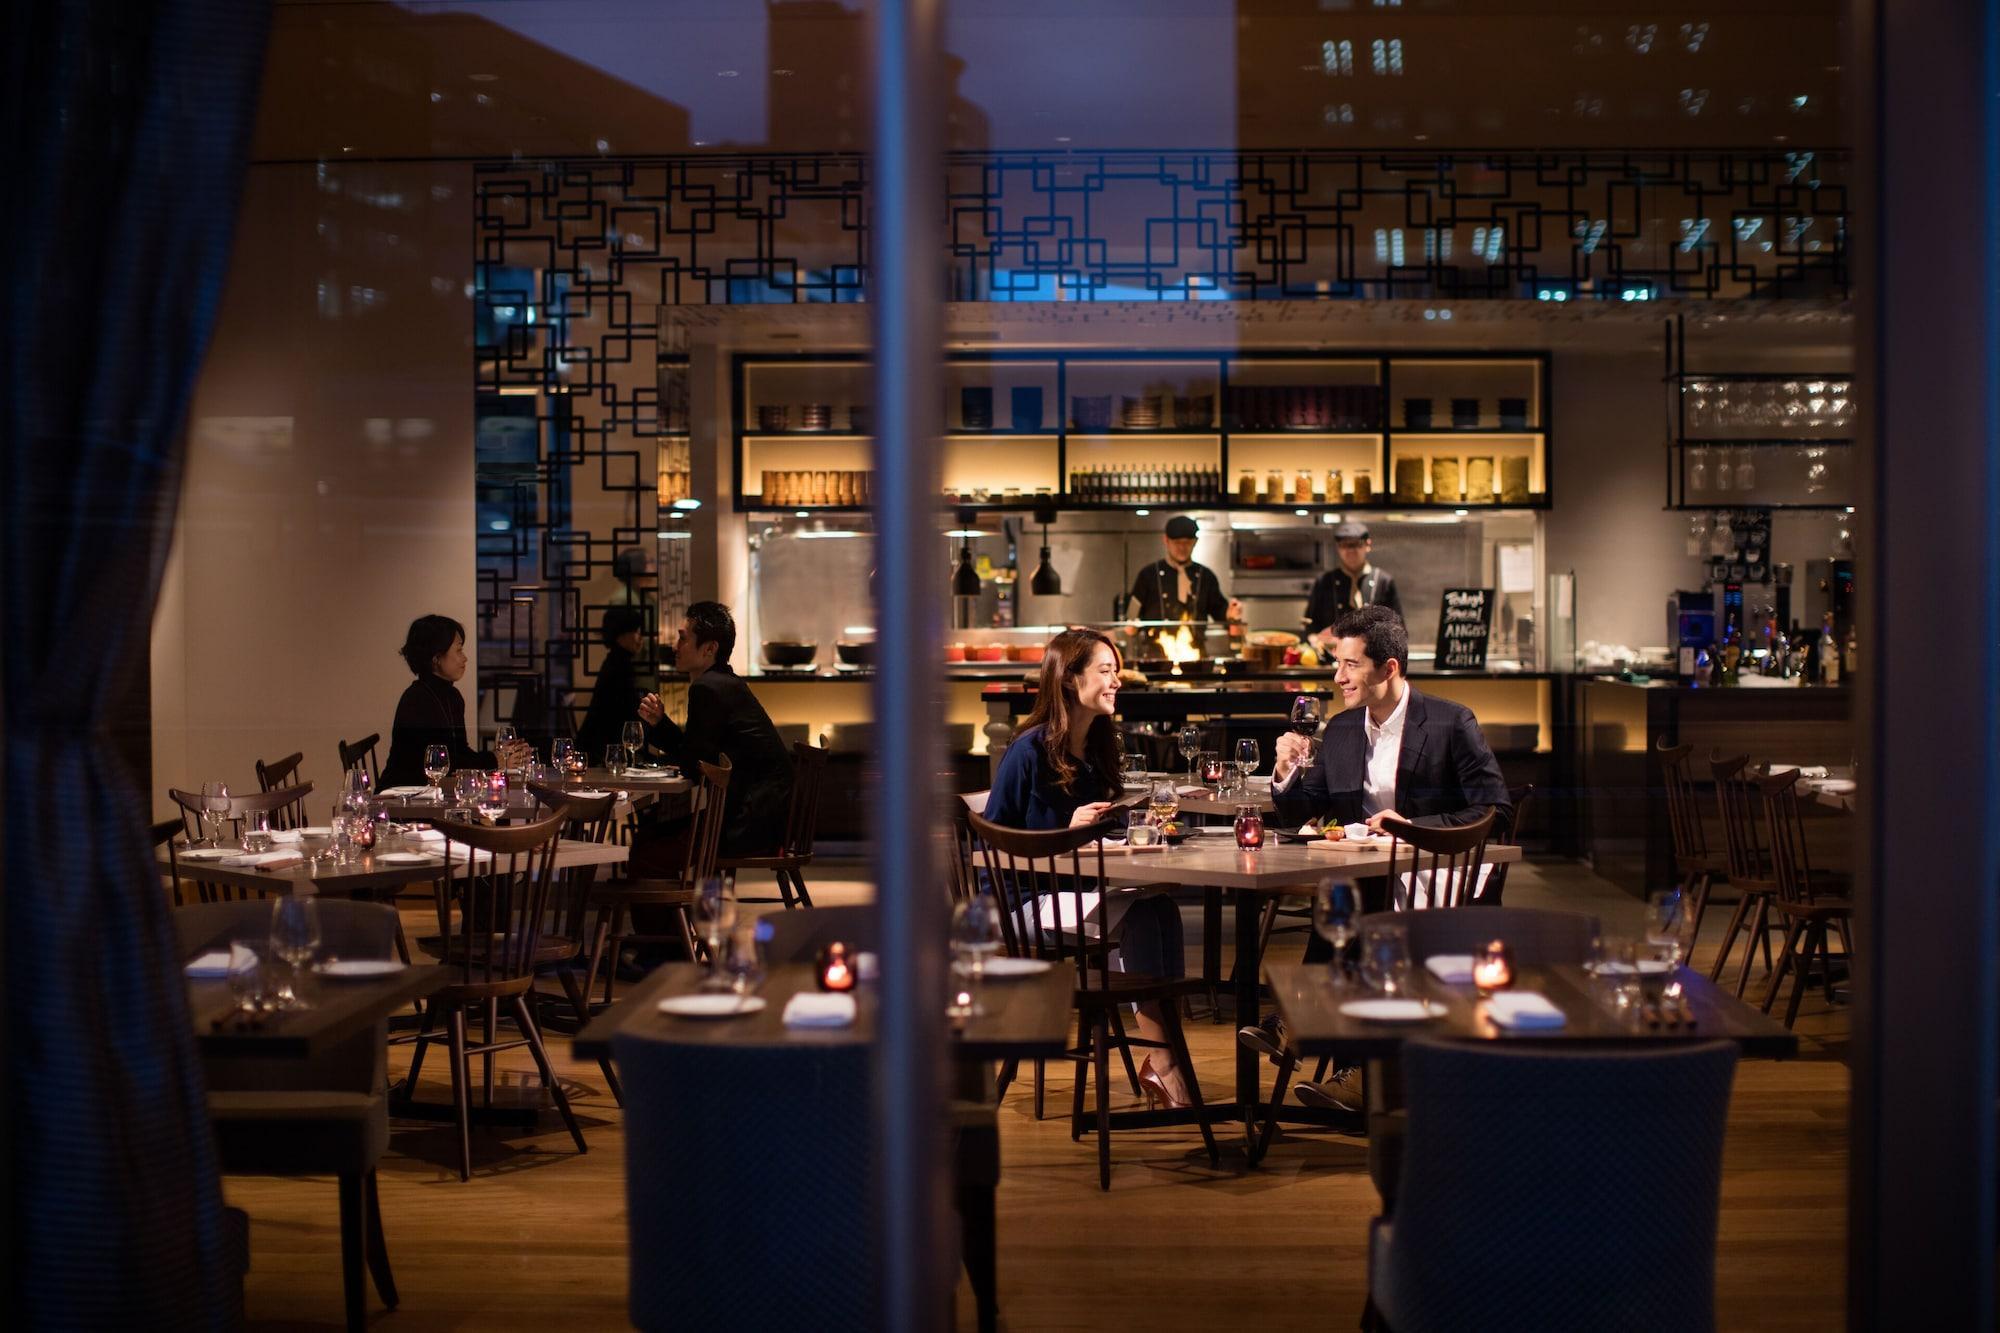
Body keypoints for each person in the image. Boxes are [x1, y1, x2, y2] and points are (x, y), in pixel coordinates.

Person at [1268, 604, 1510, 1109]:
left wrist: (1411, 827)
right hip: (1371, 871)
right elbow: (1303, 812)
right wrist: (1286, 771)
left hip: (1440, 869)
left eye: (1350, 665)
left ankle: (1311, 1030)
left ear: (1389, 668)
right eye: (1337, 663)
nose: (1338, 677)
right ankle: (1329, 1045)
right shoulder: (1341, 729)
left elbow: (1494, 809)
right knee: (1351, 900)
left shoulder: (1450, 721)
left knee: (1358, 908)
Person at [983, 628, 1197, 1109]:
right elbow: (993, 846)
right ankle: (1166, 1066)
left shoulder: (1095, 748)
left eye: (1116, 671)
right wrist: (1066, 827)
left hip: (1073, 895)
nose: (1116, 680)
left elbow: (1094, 836)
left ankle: (1165, 1057)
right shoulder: (1029, 751)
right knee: (1142, 917)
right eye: (1105, 671)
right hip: (1023, 904)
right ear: (1068, 679)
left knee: (1163, 910)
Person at [635, 601, 792, 859]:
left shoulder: (708, 688)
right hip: (765, 818)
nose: (675, 647)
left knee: (647, 847)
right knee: (651, 838)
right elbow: (697, 754)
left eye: (683, 639)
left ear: (709, 648)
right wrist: (660, 722)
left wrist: (657, 748)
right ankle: (681, 898)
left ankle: (675, 899)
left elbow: (691, 765)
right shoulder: (723, 682)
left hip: (748, 822)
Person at [379, 614, 531, 789]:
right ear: (436, 658)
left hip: (430, 794)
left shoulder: (452, 696)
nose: (464, 658)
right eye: (458, 650)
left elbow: (460, 752)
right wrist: (496, 759)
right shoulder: (417, 699)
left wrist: (499, 757)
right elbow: (445, 763)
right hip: (401, 800)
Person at [1127, 515, 1241, 625]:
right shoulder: (1148, 575)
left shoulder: (1206, 576)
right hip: (1155, 644)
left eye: (1187, 542)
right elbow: (1132, 614)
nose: (1182, 548)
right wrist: (1131, 623)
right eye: (1177, 543)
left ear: (1195, 542)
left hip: (1195, 645)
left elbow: (1219, 611)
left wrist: (1230, 613)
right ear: (1166, 540)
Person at [1304, 520, 1403, 646]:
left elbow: (1397, 627)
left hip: (1372, 660)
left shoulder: (1384, 581)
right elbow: (1310, 623)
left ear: (1368, 544)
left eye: (1356, 544)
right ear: (1338, 547)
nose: (1350, 550)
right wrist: (1315, 640)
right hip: (1331, 659)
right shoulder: (1324, 581)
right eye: (1344, 545)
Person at [576, 606, 648, 762]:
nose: (640, 638)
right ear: (621, 635)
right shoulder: (620, 665)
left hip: (599, 748)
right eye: (636, 632)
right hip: (605, 754)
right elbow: (625, 714)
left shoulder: (615, 661)